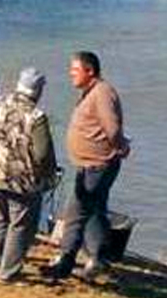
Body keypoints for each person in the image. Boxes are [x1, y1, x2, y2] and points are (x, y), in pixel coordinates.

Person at [46, 51, 131, 281]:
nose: (70, 74)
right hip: (91, 165)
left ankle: (65, 261)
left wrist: (120, 146)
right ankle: (98, 258)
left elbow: (112, 129)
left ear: (90, 71)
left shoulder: (102, 94)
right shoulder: (91, 92)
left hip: (97, 166)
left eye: (75, 70)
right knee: (94, 210)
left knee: (75, 212)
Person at [0, 67, 59, 284]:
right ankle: (8, 273)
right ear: (37, 90)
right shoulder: (36, 116)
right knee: (19, 225)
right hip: (21, 183)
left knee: (0, 220)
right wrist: (49, 174)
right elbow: (43, 153)